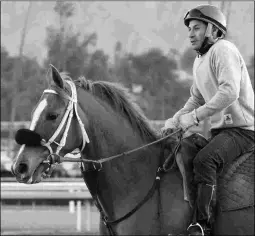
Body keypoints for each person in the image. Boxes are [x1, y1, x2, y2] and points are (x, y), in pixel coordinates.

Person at [162, 4, 254, 236]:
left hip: (244, 131)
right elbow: (196, 98)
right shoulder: (199, 60)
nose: (190, 34)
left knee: (205, 160)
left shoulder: (223, 49)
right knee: (182, 148)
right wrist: (174, 121)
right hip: (221, 132)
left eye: (196, 28)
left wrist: (193, 118)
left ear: (213, 30)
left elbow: (229, 92)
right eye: (189, 29)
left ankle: (202, 224)